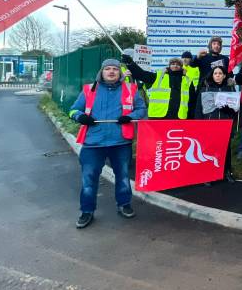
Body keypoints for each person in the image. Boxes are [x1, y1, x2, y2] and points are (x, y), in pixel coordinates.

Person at [69, 58, 147, 229]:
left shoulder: (130, 89)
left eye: (115, 69)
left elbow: (142, 110)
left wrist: (131, 116)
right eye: (107, 69)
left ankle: (124, 204)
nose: (111, 72)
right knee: (89, 179)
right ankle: (87, 211)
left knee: (124, 177)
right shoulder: (89, 90)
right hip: (93, 143)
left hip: (120, 142)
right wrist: (79, 117)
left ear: (119, 72)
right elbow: (73, 109)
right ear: (101, 72)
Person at [194, 65, 237, 183]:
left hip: (225, 124)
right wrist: (198, 125)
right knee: (208, 151)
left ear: (224, 76)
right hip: (209, 124)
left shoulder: (230, 89)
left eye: (220, 73)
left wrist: (228, 109)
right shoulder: (205, 89)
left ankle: (227, 172)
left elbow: (235, 110)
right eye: (215, 73)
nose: (218, 75)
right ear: (212, 76)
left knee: (226, 150)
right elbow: (198, 109)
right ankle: (208, 175)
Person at [121, 55, 195, 120]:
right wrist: (130, 63)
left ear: (181, 67)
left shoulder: (187, 81)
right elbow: (141, 74)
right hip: (158, 117)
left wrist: (191, 118)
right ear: (169, 66)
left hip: (179, 118)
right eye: (173, 64)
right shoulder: (159, 76)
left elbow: (192, 101)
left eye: (178, 64)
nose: (175, 66)